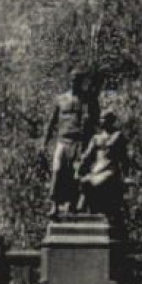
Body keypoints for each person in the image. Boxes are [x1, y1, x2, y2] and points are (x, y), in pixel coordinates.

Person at [43, 70, 98, 217]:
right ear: (70, 80)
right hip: (63, 140)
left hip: (79, 141)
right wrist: (45, 141)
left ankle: (72, 204)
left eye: (78, 79)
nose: (75, 82)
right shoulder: (61, 99)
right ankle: (54, 205)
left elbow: (96, 123)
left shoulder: (88, 100)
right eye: (73, 79)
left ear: (82, 81)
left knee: (76, 174)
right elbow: (51, 122)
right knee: (58, 170)